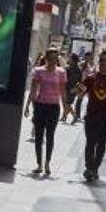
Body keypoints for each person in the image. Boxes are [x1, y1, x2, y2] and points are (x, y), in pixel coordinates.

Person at [74, 50, 106, 182]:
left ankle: (95, 168)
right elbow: (80, 94)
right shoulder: (91, 78)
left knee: (101, 144)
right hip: (91, 116)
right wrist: (78, 89)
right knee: (90, 143)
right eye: (101, 60)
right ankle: (89, 167)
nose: (103, 63)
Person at [27, 46, 68, 175]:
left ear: (57, 59)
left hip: (54, 107)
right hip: (40, 106)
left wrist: (65, 107)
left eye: (55, 58)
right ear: (46, 58)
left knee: (50, 136)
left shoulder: (61, 72)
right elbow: (34, 90)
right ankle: (39, 164)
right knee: (39, 136)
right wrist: (28, 105)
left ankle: (47, 163)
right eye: (50, 58)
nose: (52, 60)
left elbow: (63, 90)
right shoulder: (38, 71)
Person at [62, 53, 84, 124]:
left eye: (70, 58)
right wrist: (77, 89)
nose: (69, 59)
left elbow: (65, 79)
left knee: (67, 103)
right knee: (68, 103)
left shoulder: (68, 68)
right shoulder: (79, 70)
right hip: (74, 89)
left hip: (68, 88)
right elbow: (80, 81)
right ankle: (64, 116)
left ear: (72, 59)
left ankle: (74, 116)